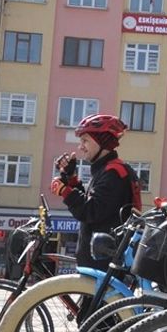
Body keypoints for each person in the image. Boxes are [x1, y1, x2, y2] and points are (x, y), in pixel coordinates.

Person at [51, 114, 142, 271]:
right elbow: (95, 205)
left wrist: (64, 190)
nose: (80, 147)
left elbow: (90, 211)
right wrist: (72, 179)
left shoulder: (114, 173)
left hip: (104, 266)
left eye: (85, 140)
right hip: (98, 263)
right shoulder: (106, 170)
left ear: (102, 141)